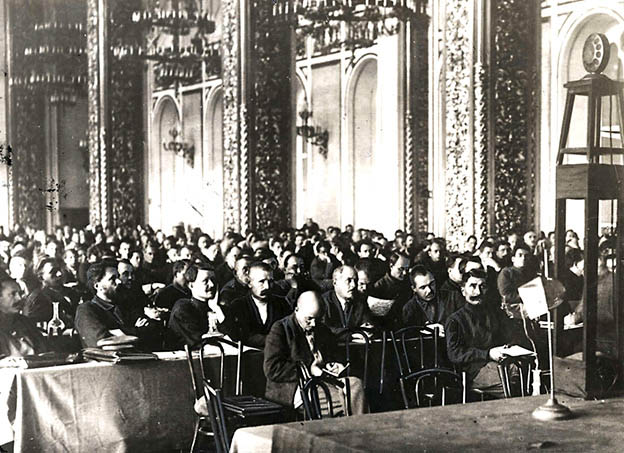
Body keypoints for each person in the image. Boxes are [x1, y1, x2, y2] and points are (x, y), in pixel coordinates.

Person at [263, 291, 367, 415]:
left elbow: (332, 355)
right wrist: (309, 369)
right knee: (340, 399)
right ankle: (352, 424)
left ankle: (356, 423)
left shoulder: (321, 328)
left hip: (322, 381)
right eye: (309, 319)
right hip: (294, 387)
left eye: (318, 319)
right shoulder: (280, 329)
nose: (313, 324)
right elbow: (272, 368)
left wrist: (334, 365)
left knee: (355, 385)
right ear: (297, 309)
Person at [445, 269, 524, 395]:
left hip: (500, 363)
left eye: (482, 286)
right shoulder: (455, 320)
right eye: (473, 286)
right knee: (507, 386)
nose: (478, 292)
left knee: (524, 378)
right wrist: (488, 354)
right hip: (474, 371)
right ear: (463, 290)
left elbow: (510, 336)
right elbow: (455, 353)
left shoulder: (495, 313)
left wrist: (508, 346)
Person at [75, 261, 150, 348]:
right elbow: (102, 340)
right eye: (113, 279)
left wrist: (119, 332)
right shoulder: (86, 310)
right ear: (97, 286)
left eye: (118, 277)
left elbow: (149, 330)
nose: (119, 281)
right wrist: (135, 330)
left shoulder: (125, 305)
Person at [222, 262, 291, 348]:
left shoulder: (282, 304)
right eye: (261, 282)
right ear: (249, 283)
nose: (267, 286)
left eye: (270, 281)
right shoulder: (238, 306)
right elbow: (242, 336)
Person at [168, 263, 226, 348]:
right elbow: (199, 343)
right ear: (191, 285)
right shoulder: (183, 309)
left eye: (213, 280)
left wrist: (217, 309)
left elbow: (234, 339)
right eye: (205, 281)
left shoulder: (218, 307)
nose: (212, 284)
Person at [322, 266, 374, 340]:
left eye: (355, 281)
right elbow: (324, 330)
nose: (354, 285)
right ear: (335, 282)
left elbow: (367, 324)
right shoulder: (324, 302)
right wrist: (351, 335)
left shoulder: (360, 301)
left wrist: (368, 329)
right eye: (348, 280)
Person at [23, 258, 78, 328]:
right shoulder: (37, 299)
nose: (59, 274)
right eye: (53, 272)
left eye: (59, 270)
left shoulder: (72, 292)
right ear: (41, 278)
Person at [0, 278, 48, 357]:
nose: (19, 298)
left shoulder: (25, 322)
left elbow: (44, 351)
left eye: (20, 293)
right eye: (13, 294)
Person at [497, 244, 537, 319]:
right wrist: (527, 296)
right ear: (513, 259)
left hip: (530, 306)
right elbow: (506, 295)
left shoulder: (530, 273)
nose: (523, 258)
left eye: (526, 256)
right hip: (512, 308)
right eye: (520, 255)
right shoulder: (507, 272)